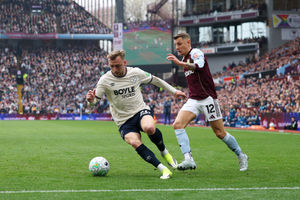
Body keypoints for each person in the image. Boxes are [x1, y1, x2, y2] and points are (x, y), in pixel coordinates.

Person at [86, 50, 187, 179]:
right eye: (111, 66)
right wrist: (90, 101)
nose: (114, 69)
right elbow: (94, 102)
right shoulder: (105, 80)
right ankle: (163, 169)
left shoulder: (135, 72)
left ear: (124, 62)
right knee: (134, 142)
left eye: (117, 65)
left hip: (140, 111)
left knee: (149, 128)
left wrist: (174, 91)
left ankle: (164, 152)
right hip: (123, 121)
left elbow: (156, 80)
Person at [167, 32, 248, 171]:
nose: (177, 47)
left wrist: (180, 63)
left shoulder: (196, 53)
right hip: (193, 99)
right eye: (176, 45)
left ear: (188, 42)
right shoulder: (184, 59)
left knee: (220, 133)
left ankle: (241, 155)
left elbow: (199, 66)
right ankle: (188, 159)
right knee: (177, 125)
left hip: (208, 99)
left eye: (180, 44)